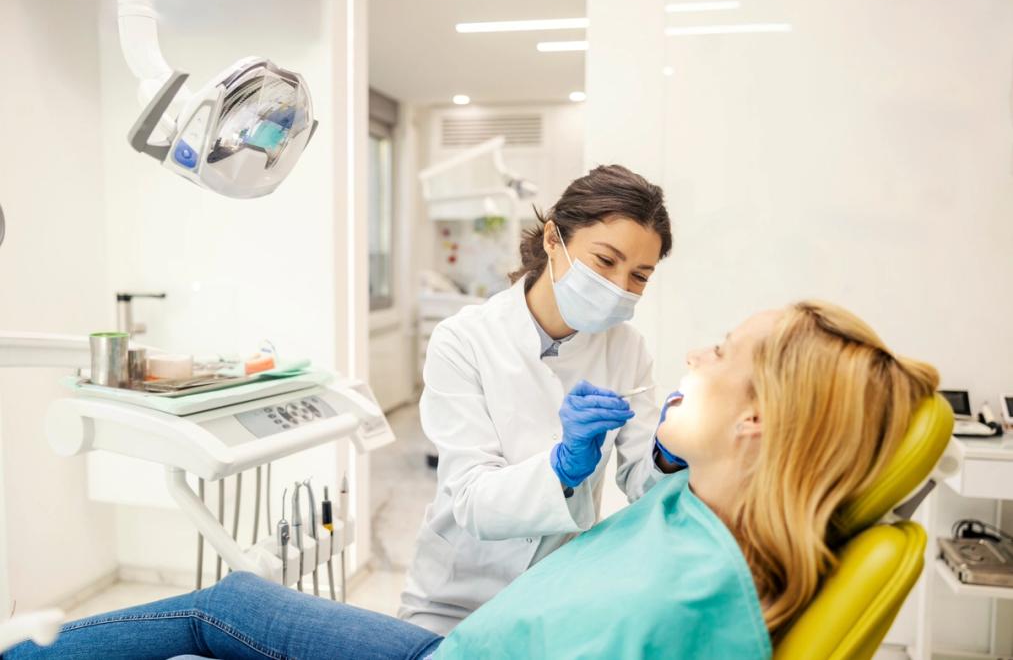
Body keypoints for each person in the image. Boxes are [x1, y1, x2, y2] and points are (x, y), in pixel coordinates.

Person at [6, 300, 939, 659]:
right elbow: (479, 498)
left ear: (757, 423)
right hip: (469, 630)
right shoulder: (707, 534)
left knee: (213, 612)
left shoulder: (676, 586)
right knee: (237, 596)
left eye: (723, 349)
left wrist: (604, 463)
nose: (694, 347)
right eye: (607, 263)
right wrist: (618, 462)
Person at [398, 164, 679, 633]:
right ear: (553, 239)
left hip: (551, 595)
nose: (618, 287)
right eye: (605, 261)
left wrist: (669, 454)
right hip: (453, 598)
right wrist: (562, 466)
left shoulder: (626, 348)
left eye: (639, 276)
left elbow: (642, 482)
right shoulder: (463, 340)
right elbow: (469, 500)